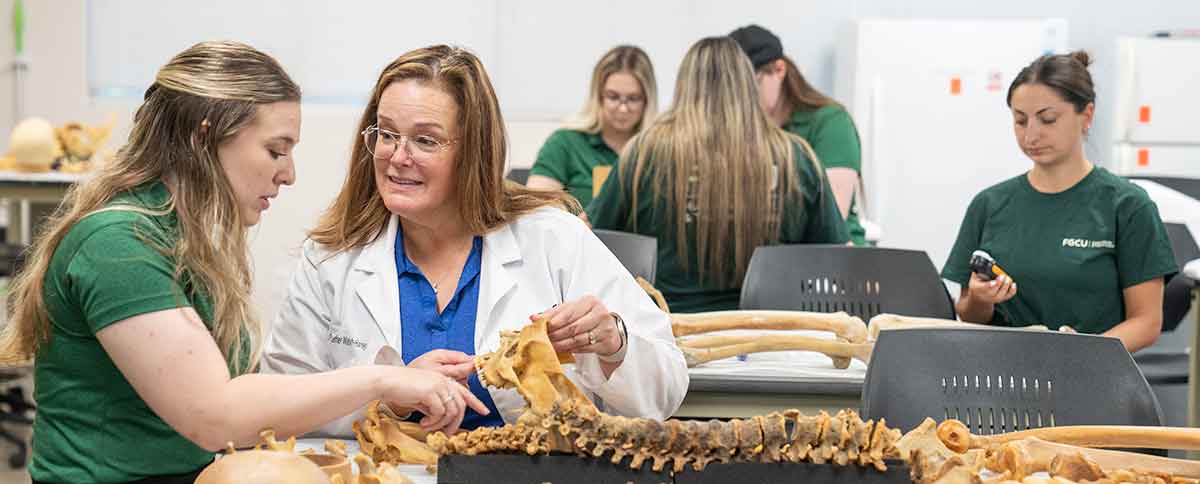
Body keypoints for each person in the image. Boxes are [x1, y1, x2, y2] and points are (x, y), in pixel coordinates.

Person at [0, 41, 484, 484]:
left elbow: (246, 397)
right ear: (203, 138)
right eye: (276, 150)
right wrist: (381, 377)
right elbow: (217, 414)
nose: (289, 174)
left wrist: (386, 393)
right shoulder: (118, 244)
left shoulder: (177, 240)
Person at [262, 45, 688, 437]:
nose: (396, 155)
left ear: (474, 153)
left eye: (425, 140)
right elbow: (276, 406)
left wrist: (615, 342)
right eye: (387, 134)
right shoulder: (333, 257)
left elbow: (666, 389)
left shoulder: (553, 240)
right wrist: (385, 397)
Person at [588, 37, 849, 313]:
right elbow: (836, 261)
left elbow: (595, 240)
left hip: (669, 332)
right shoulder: (795, 157)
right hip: (771, 338)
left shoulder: (644, 153)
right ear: (748, 85)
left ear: (684, 87)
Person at [942, 51, 1176, 353]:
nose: (1031, 135)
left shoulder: (1128, 206)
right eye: (1020, 121)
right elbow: (969, 315)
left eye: (1047, 119)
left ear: (1087, 115)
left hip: (1093, 381)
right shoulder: (988, 205)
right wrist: (979, 299)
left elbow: (1146, 322)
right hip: (1001, 381)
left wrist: (1078, 356)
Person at [730, 25, 868, 246]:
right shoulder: (741, 130)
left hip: (837, 265)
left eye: (750, 86)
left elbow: (830, 217)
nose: (742, 99)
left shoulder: (830, 123)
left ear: (779, 70)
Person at [525, 45, 657, 207]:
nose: (623, 108)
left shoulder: (658, 150)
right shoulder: (565, 143)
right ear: (598, 96)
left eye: (633, 99)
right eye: (613, 97)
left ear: (647, 100)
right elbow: (536, 208)